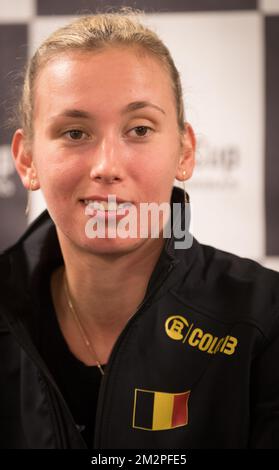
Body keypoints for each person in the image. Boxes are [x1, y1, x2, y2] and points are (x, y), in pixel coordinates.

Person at [0, 9, 279, 450]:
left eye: (139, 129)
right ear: (28, 161)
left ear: (184, 151)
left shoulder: (267, 317)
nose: (107, 166)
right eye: (74, 133)